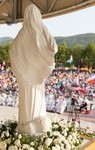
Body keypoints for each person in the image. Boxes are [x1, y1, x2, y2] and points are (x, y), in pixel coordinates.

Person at [9, 4, 57, 135]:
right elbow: (54, 47)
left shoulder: (22, 33)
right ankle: (37, 127)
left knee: (26, 102)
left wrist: (22, 66)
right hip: (37, 78)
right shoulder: (41, 29)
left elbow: (12, 51)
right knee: (38, 101)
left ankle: (24, 126)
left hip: (25, 79)